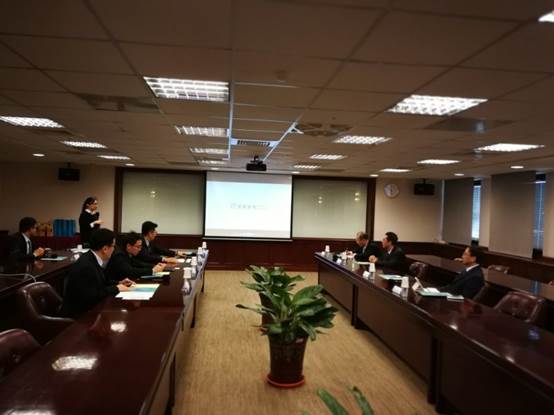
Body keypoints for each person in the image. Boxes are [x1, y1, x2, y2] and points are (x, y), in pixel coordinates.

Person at [61, 228, 131, 318]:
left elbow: (101, 282)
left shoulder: (92, 258)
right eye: (113, 246)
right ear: (105, 249)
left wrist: (119, 283)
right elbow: (92, 296)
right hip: (80, 316)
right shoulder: (86, 266)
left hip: (89, 308)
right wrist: (116, 288)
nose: (114, 249)